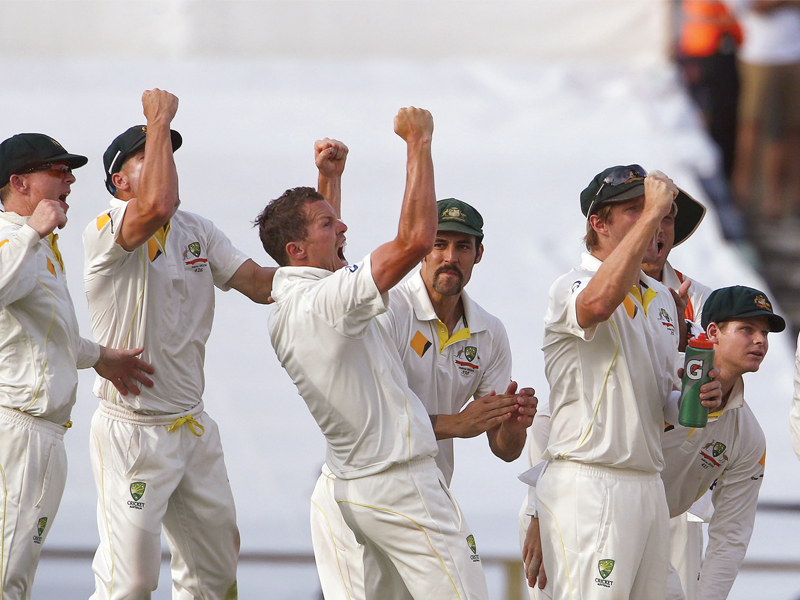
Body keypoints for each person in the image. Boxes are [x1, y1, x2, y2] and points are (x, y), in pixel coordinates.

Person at [258, 108, 489, 600]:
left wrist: (327, 181)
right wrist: (419, 142)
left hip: (356, 490)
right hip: (401, 486)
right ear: (297, 249)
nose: (343, 229)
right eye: (328, 224)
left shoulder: (292, 302)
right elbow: (413, 241)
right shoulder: (328, 302)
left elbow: (324, 257)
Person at [83, 89, 275, 600]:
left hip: (192, 426)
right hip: (133, 433)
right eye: (153, 153)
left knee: (215, 575)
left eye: (169, 152)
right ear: (119, 182)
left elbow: (259, 285)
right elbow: (157, 204)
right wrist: (159, 118)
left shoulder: (197, 231)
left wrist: (333, 278)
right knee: (131, 583)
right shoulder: (105, 229)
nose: (167, 162)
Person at [308, 194, 537, 600]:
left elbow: (505, 450)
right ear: (421, 250)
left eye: (462, 246)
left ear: (478, 254)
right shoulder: (388, 307)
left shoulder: (490, 332)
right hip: (357, 485)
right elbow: (368, 417)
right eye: (439, 243)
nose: (450, 257)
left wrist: (512, 425)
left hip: (424, 492)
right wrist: (457, 424)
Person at [533, 165, 720, 600]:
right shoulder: (571, 286)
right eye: (635, 210)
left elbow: (659, 401)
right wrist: (657, 207)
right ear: (598, 223)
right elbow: (597, 304)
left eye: (657, 211)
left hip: (648, 486)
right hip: (591, 481)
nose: (654, 220)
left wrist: (694, 398)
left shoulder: (660, 301)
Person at [0, 133, 154, 600]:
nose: (69, 179)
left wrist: (99, 357)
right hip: (19, 431)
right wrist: (31, 232)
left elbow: (43, 331)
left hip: (40, 433)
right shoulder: (15, 237)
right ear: (19, 183)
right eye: (57, 169)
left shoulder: (36, 246)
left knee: (15, 573)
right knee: (8, 574)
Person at [729, 0, 800, 218]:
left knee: (790, 130)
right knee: (755, 126)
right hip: (761, 56)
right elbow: (754, 7)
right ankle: (746, 194)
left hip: (794, 56)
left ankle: (783, 199)